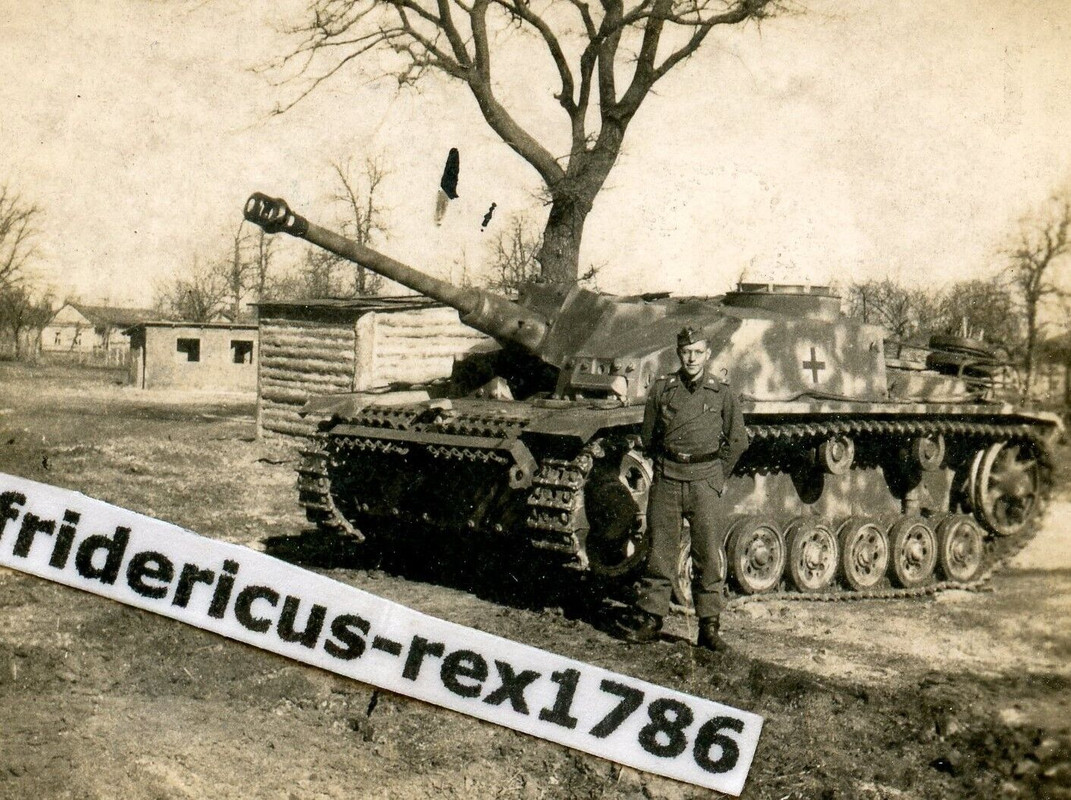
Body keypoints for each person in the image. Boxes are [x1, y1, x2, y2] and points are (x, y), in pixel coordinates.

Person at [614, 326, 749, 650]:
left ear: (708, 354)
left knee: (707, 554)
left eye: (698, 352)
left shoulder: (721, 393)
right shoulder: (663, 389)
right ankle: (651, 618)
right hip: (669, 479)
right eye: (686, 352)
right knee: (660, 551)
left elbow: (738, 440)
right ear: (679, 353)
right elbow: (649, 437)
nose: (692, 358)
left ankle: (709, 626)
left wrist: (716, 475)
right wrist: (667, 463)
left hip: (704, 479)